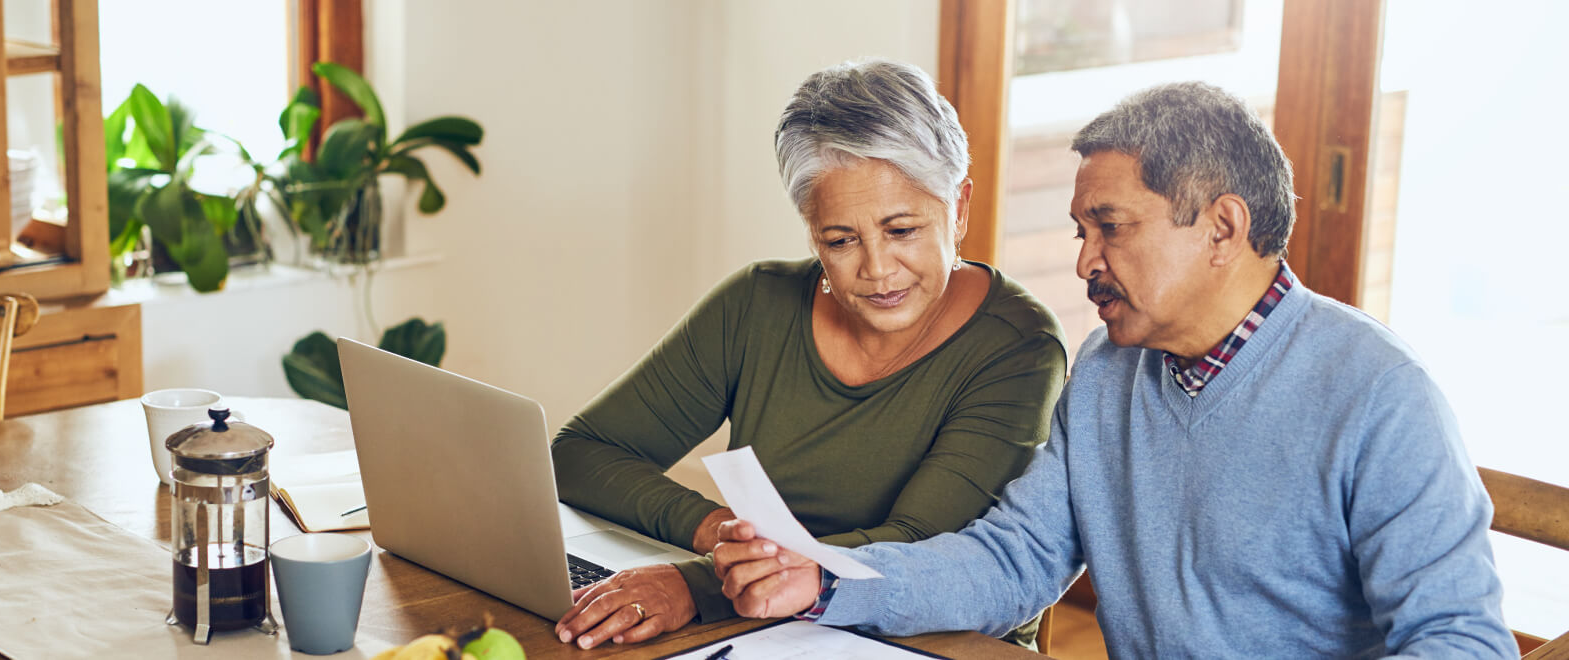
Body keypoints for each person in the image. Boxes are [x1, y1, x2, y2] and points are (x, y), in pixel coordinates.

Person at [712, 81, 1518, 658]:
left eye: (1110, 228)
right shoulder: (1106, 370)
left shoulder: (1378, 395)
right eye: (1079, 231)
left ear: (1222, 227)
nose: (1085, 262)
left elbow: (1461, 641)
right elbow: (1015, 559)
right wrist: (824, 581)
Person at [547, 59, 1068, 650]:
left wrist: (700, 586)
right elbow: (581, 454)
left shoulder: (1018, 346)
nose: (876, 270)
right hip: (765, 630)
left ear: (960, 207)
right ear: (810, 229)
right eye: (840, 240)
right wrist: (722, 536)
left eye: (902, 231)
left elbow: (921, 546)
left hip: (929, 642)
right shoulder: (757, 303)